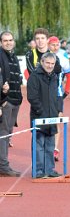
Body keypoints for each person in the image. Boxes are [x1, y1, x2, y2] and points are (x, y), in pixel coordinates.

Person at [26, 52, 62, 179]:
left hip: (52, 117)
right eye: (47, 63)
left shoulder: (55, 77)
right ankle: (38, 170)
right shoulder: (34, 76)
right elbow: (32, 97)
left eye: (52, 63)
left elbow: (58, 95)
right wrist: (41, 111)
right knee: (38, 146)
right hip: (39, 116)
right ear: (42, 62)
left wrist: (58, 110)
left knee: (50, 145)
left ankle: (49, 169)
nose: (50, 66)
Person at [0, 31, 23, 177]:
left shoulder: (13, 56)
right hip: (5, 101)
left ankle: (3, 164)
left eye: (10, 40)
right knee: (3, 134)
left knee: (7, 134)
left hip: (15, 100)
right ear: (0, 43)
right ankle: (3, 166)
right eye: (5, 40)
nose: (8, 42)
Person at [47, 36, 70, 161]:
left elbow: (69, 75)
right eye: (52, 45)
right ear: (48, 45)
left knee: (57, 120)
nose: (55, 47)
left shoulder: (63, 58)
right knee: (46, 121)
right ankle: (47, 147)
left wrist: (66, 90)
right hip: (45, 95)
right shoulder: (44, 58)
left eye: (57, 44)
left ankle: (55, 149)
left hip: (58, 95)